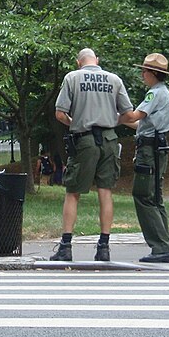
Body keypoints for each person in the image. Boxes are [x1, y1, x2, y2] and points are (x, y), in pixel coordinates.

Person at [51, 48, 133, 262]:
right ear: (97, 60)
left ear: (79, 63)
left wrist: (75, 122)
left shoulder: (72, 78)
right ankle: (104, 247)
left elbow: (60, 113)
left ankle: (66, 246)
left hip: (84, 139)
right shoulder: (114, 79)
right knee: (105, 191)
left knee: (73, 192)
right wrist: (109, 120)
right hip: (109, 140)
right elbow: (127, 114)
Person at [118, 53, 169, 264]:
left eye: (144, 71)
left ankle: (160, 247)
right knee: (155, 197)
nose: (142, 75)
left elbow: (134, 116)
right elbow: (139, 124)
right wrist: (122, 121)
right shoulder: (164, 93)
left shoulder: (154, 94)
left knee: (143, 196)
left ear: (152, 73)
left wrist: (112, 115)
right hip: (157, 147)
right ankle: (163, 244)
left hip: (149, 151)